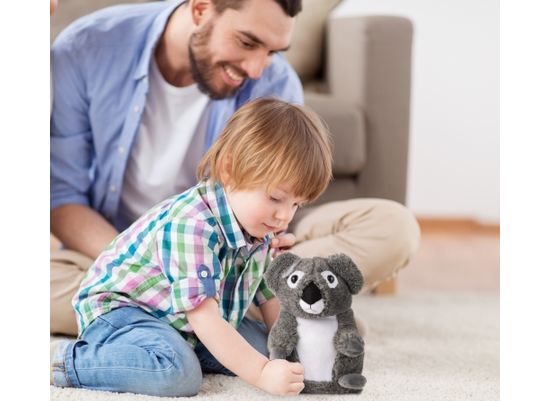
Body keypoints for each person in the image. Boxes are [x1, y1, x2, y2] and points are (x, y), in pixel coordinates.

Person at [50, 0, 421, 336]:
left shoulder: (275, 82)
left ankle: (197, 313)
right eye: (247, 43)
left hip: (236, 255)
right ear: (200, 9)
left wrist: (274, 245)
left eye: (273, 51)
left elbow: (278, 205)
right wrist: (153, 264)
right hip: (121, 251)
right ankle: (277, 308)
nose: (257, 68)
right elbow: (63, 198)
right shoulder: (87, 49)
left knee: (393, 228)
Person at [51, 98, 333, 397]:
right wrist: (262, 373)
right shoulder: (193, 225)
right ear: (229, 170)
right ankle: (62, 360)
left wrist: (290, 350)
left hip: (179, 321)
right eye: (276, 198)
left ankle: (183, 349)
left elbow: (269, 298)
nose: (284, 216)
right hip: (123, 312)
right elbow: (204, 317)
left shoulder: (261, 224)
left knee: (269, 346)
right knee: (177, 374)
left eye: (296, 204)